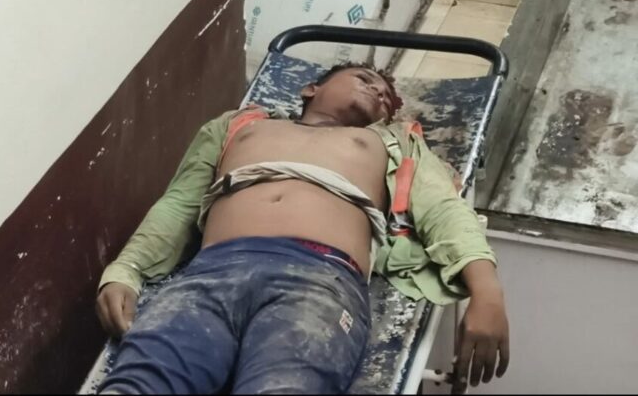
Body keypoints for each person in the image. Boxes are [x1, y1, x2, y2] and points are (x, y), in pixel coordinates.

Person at [95, 62, 509, 395]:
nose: (379, 93)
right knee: (138, 383)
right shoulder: (238, 127)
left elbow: (444, 210)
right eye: (364, 79)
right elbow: (179, 203)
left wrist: (487, 293)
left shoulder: (392, 143)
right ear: (311, 88)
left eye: (386, 97)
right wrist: (127, 268)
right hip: (211, 273)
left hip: (319, 281)